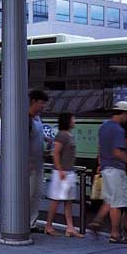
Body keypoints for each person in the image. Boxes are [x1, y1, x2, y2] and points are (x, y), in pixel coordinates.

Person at [88, 101, 127, 244]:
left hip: (105, 167)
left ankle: (97, 221)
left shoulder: (104, 126)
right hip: (116, 168)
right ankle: (115, 235)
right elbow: (117, 152)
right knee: (117, 203)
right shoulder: (118, 130)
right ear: (123, 113)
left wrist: (100, 163)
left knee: (110, 200)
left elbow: (100, 146)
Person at [45, 112, 82, 237]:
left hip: (69, 171)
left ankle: (70, 228)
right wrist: (60, 170)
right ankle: (48, 226)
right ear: (68, 121)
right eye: (73, 118)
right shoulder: (61, 135)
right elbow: (55, 153)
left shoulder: (69, 135)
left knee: (69, 200)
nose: (74, 121)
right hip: (61, 173)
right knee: (56, 200)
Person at [27, 89, 50, 231]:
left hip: (38, 162)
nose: (43, 107)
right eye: (42, 103)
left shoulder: (37, 118)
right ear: (34, 102)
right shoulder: (26, 118)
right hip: (28, 165)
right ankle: (23, 223)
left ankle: (32, 223)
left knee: (36, 194)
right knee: (28, 195)